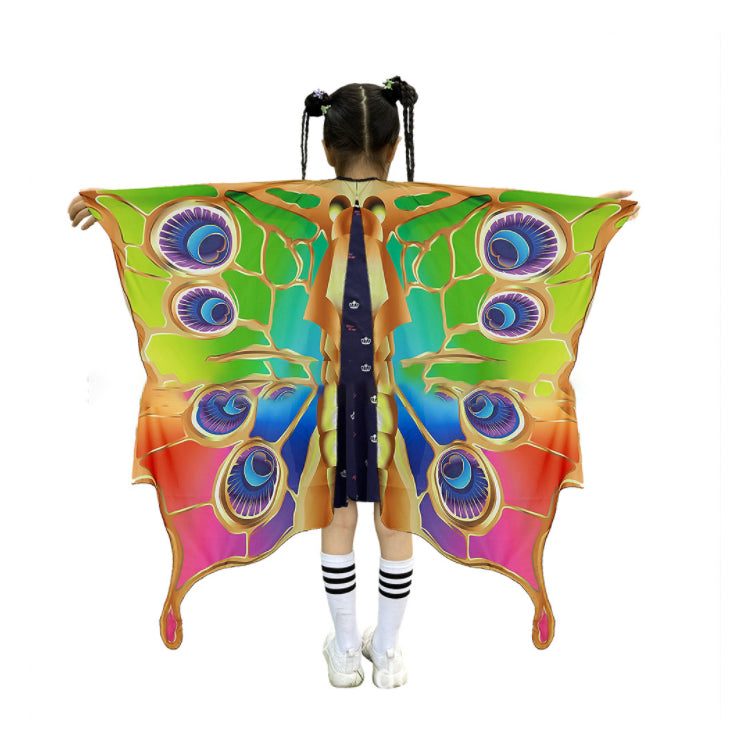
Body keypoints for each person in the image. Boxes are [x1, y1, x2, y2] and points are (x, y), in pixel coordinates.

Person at [68, 75, 639, 690]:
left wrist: (111, 208)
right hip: (405, 390)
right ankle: (387, 651)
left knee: (337, 514)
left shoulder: (294, 205)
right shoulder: (426, 206)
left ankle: (344, 650)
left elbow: (209, 209)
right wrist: (589, 216)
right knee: (397, 515)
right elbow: (504, 217)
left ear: (324, 147)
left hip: (323, 392)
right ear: (395, 146)